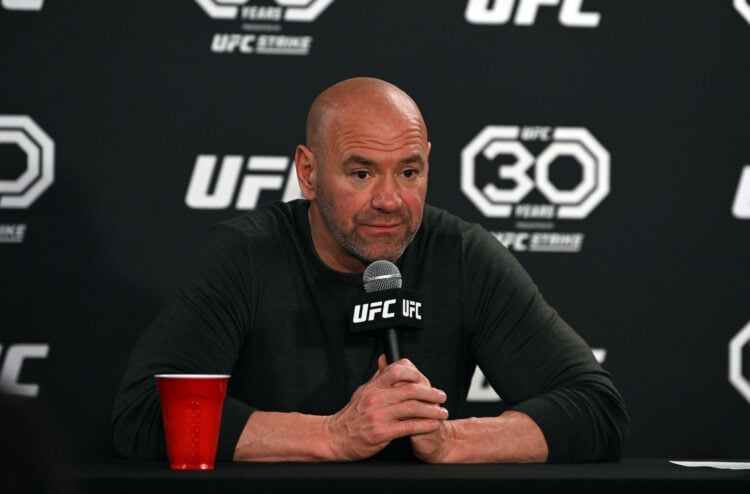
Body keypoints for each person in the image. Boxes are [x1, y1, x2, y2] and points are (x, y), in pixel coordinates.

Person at [111, 76, 629, 464]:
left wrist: (453, 439)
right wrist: (334, 435)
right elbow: (145, 416)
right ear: (309, 173)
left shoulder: (462, 255)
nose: (389, 200)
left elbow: (596, 410)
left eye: (409, 172)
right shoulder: (245, 255)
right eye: (361, 173)